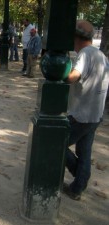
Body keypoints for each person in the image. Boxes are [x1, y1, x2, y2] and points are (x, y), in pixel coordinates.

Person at [63, 20, 109, 201]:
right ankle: (77, 188)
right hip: (95, 114)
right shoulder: (101, 55)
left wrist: (63, 71)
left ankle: (79, 175)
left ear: (77, 38)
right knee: (85, 151)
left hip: (81, 114)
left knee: (57, 144)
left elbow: (73, 77)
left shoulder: (84, 54)